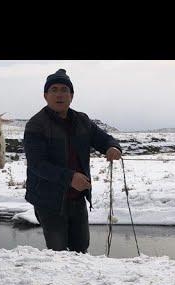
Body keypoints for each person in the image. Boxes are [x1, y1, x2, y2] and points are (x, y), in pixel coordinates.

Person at [23, 69, 122, 253]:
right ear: (45, 96)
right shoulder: (36, 124)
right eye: (54, 90)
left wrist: (112, 147)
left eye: (64, 89)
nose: (59, 94)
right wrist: (70, 178)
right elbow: (37, 165)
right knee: (58, 252)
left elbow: (103, 138)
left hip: (77, 198)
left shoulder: (81, 120)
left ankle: (79, 282)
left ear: (71, 95)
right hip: (49, 202)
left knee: (81, 250)